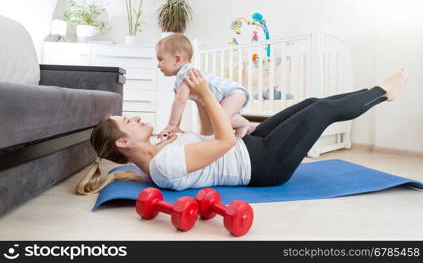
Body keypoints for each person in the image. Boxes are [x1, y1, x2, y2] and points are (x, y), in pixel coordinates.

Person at [76, 68, 408, 194]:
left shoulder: (155, 157)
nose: (134, 118)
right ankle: (381, 92)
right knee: (320, 112)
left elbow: (210, 139)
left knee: (310, 102)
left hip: (251, 145)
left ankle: (365, 93)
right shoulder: (163, 166)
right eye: (127, 121)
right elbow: (220, 141)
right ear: (123, 141)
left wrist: (131, 173)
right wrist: (206, 95)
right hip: (265, 165)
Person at [156, 33, 256, 138]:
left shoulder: (187, 74)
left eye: (160, 59)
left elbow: (180, 101)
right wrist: (176, 126)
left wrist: (171, 125)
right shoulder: (179, 81)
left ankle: (245, 124)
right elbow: (179, 105)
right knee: (217, 123)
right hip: (228, 95)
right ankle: (246, 126)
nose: (158, 65)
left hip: (232, 93)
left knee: (219, 121)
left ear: (177, 59)